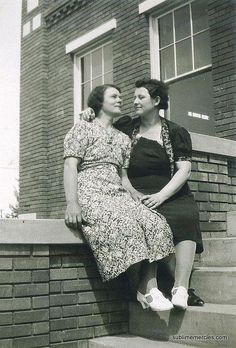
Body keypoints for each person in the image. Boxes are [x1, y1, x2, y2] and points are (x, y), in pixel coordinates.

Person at [81, 79, 204, 310]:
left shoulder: (176, 132)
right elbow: (102, 127)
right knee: (150, 222)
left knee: (185, 215)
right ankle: (158, 287)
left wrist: (162, 196)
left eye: (140, 97)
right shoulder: (127, 126)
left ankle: (181, 289)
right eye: (134, 97)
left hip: (170, 191)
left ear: (156, 101)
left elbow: (184, 170)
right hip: (134, 192)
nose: (134, 101)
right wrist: (90, 112)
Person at [63, 84, 175, 312]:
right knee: (127, 225)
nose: (120, 100)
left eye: (120, 97)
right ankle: (147, 289)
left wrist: (136, 196)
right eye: (114, 96)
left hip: (117, 192)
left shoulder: (123, 139)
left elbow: (123, 178)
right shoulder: (82, 129)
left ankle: (148, 289)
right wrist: (72, 202)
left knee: (154, 221)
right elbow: (70, 165)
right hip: (91, 192)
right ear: (99, 102)